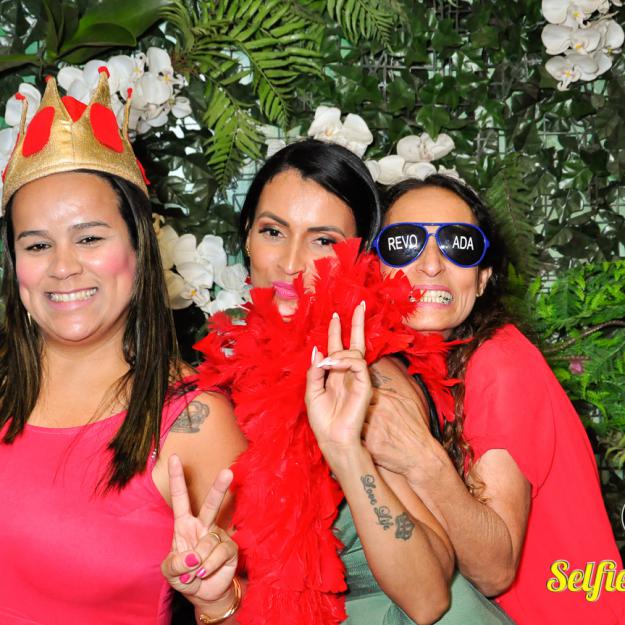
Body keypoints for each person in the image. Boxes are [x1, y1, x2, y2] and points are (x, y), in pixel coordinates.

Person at [197, 139, 515, 625]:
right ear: (247, 237)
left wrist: (346, 453)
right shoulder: (234, 371)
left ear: (361, 256)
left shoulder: (368, 376)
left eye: (323, 240)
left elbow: (428, 599)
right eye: (272, 231)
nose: (290, 262)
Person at [0, 69, 246, 625]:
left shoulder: (195, 422)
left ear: (139, 249)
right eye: (36, 245)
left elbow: (272, 606)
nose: (63, 267)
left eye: (89, 238)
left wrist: (217, 601)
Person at [367, 173, 625, 625]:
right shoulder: (416, 370)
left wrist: (421, 459)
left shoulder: (499, 362)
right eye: (404, 243)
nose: (432, 265)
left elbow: (494, 570)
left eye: (459, 246)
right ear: (373, 268)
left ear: (483, 277)